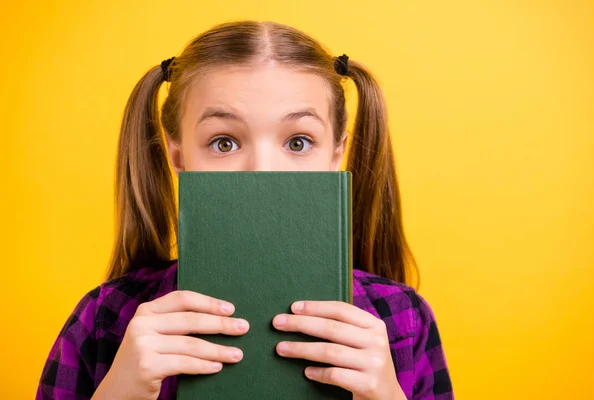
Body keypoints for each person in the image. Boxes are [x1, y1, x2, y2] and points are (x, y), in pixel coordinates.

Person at [36, 21, 453, 400]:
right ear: (178, 156)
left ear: (336, 154)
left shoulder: (404, 320)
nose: (262, 170)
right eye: (224, 142)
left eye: (298, 142)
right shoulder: (104, 320)